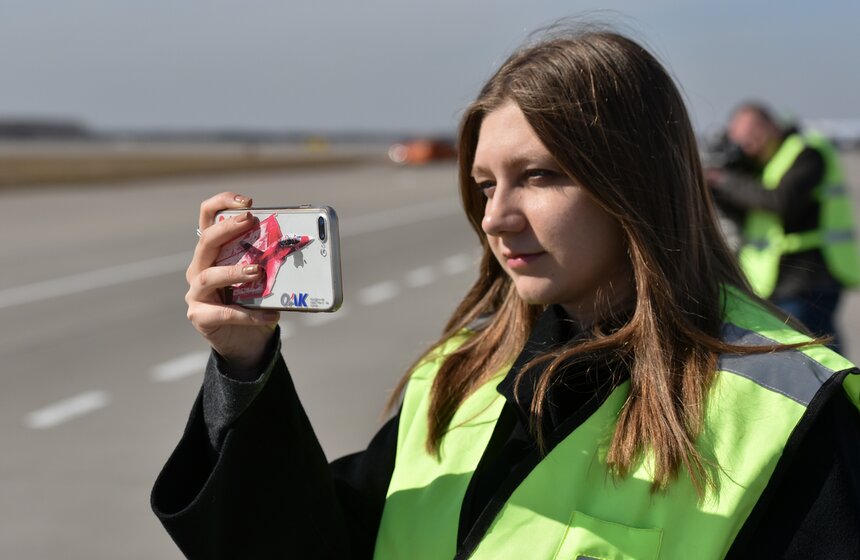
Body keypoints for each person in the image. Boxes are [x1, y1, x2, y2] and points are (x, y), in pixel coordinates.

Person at [151, 28, 860, 559]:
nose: (494, 216)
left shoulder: (790, 410)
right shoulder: (457, 375)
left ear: (637, 184)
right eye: (487, 184)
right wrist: (244, 367)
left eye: (541, 176)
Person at [707, 102, 860, 351]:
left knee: (816, 350)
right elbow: (743, 212)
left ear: (771, 128)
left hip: (809, 276)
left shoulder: (808, 154)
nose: (748, 148)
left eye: (751, 139)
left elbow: (779, 201)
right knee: (798, 351)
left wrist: (723, 179)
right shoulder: (760, 164)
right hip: (775, 279)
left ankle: (841, 389)